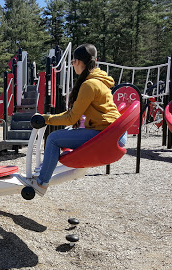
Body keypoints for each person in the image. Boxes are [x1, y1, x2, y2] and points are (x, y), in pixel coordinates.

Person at [34, 43, 127, 193]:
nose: (73, 65)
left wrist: (46, 118)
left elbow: (71, 117)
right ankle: (43, 173)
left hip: (108, 135)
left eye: (72, 62)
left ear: (77, 62)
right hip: (116, 133)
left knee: (53, 138)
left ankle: (41, 182)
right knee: (67, 131)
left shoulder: (89, 85)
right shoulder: (100, 79)